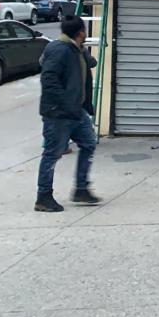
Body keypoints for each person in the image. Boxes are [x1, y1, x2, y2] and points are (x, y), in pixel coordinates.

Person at [35, 16, 100, 212]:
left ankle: (81, 189)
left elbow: (92, 63)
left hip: (76, 111)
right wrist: (65, 104)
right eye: (84, 31)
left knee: (88, 143)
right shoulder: (59, 49)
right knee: (52, 154)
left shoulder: (75, 49)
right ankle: (43, 197)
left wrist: (82, 50)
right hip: (58, 113)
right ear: (80, 32)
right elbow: (49, 80)